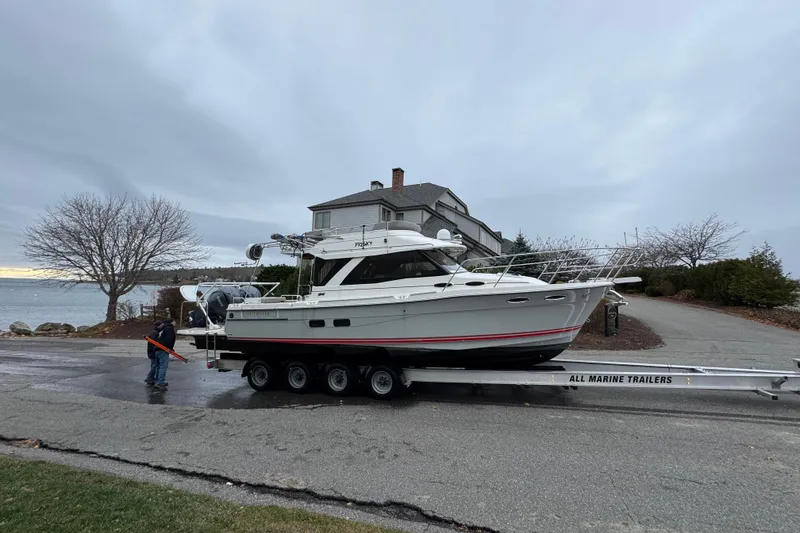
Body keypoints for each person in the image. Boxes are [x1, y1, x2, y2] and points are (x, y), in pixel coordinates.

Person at [153, 318, 176, 390]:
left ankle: (158, 380)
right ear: (171, 322)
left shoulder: (163, 328)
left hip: (158, 348)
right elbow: (169, 339)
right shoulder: (169, 328)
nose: (175, 323)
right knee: (163, 366)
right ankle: (160, 383)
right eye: (174, 321)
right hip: (163, 349)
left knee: (159, 366)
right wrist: (170, 348)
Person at [144, 320, 162, 385]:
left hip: (151, 351)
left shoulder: (154, 332)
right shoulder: (155, 333)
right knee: (155, 365)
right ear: (158, 326)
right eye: (161, 325)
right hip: (152, 351)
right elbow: (153, 344)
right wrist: (155, 350)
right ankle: (149, 378)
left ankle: (151, 377)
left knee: (153, 365)